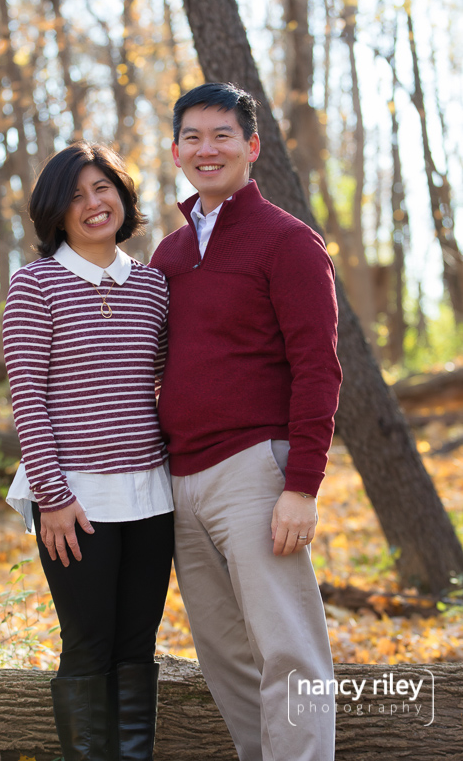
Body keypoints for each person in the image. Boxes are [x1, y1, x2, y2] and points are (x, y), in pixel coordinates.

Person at [150, 83, 342, 761]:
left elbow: (318, 369)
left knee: (289, 649)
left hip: (253, 471)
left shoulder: (287, 242)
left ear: (251, 147)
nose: (208, 149)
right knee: (225, 657)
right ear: (176, 152)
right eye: (194, 137)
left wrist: (301, 485)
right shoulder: (167, 256)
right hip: (182, 479)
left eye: (222, 135)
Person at [2, 141, 174, 761]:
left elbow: (158, 386)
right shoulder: (35, 285)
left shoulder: (154, 286)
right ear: (55, 212)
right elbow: (29, 399)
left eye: (102, 188)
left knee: (137, 647)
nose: (92, 204)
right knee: (88, 645)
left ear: (123, 197)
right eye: (74, 195)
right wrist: (52, 496)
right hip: (74, 500)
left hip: (152, 496)